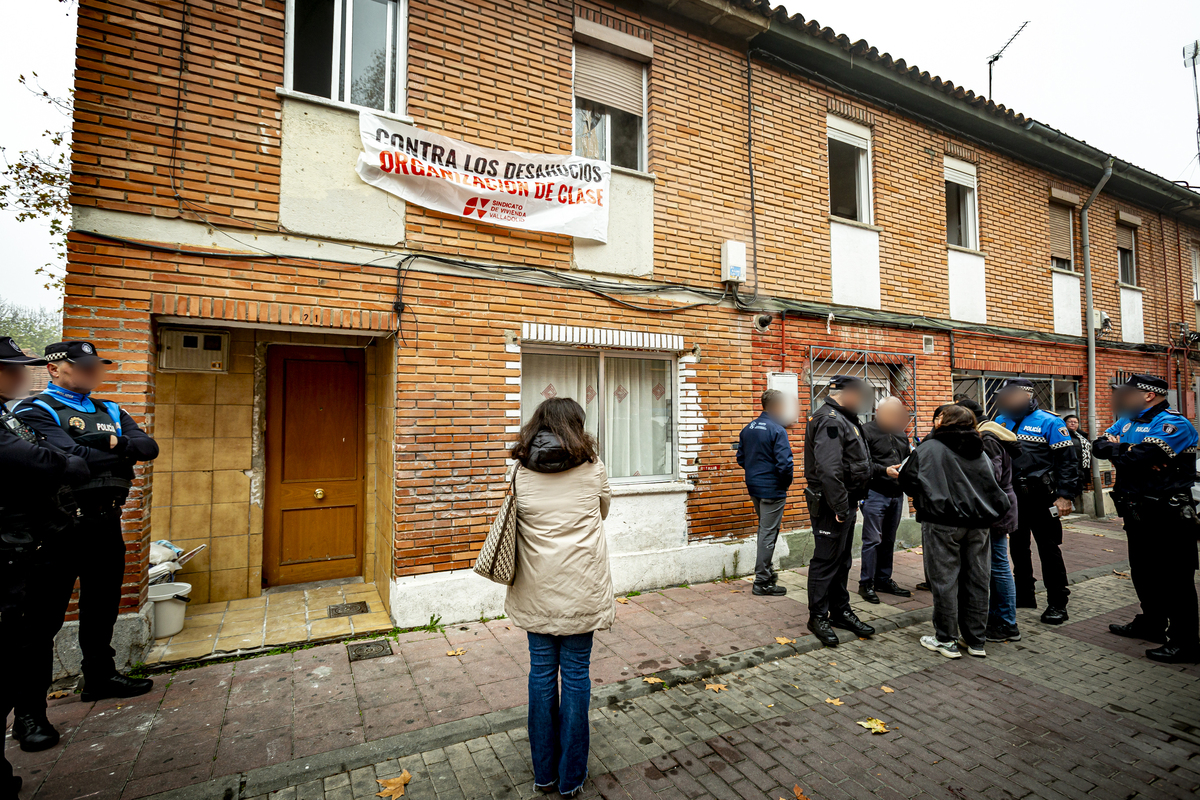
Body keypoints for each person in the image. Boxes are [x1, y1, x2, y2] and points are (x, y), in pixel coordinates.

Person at [14, 341, 159, 722]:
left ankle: (100, 676)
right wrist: (121, 450)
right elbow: (70, 459)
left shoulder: (111, 408)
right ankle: (30, 713)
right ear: (54, 368)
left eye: (95, 366)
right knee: (42, 621)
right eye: (82, 366)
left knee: (102, 605)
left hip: (106, 520)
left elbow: (148, 447)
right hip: (59, 524)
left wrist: (116, 443)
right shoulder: (34, 409)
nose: (91, 372)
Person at [505, 397, 614, 796]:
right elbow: (602, 511)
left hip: (536, 590)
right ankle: (571, 779)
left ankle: (544, 774)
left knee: (539, 674)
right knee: (576, 675)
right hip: (581, 590)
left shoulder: (519, 471)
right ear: (576, 426)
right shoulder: (592, 468)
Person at [0, 336, 89, 793]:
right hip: (10, 553)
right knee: (21, 639)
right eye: (11, 367)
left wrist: (72, 454)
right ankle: (28, 716)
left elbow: (76, 461)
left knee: (37, 631)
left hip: (42, 544)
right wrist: (69, 456)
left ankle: (30, 713)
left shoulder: (9, 417)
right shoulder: (27, 413)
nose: (21, 374)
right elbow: (63, 462)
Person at [1093, 374, 1199, 663]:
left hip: (1169, 514)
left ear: (1148, 395)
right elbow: (1097, 446)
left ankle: (1186, 641)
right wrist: (1127, 451)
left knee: (1176, 578)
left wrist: (1124, 451)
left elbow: (1132, 459)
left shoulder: (1173, 423)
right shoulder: (1128, 420)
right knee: (1143, 571)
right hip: (1136, 510)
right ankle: (1153, 624)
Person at [899, 404, 1010, 659]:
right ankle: (976, 641)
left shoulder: (930, 447)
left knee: (945, 580)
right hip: (979, 524)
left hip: (942, 522)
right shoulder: (979, 449)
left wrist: (926, 494)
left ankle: (946, 639)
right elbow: (991, 482)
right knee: (977, 580)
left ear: (942, 422)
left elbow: (907, 480)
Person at [993, 377, 1079, 624]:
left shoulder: (1050, 422)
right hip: (1013, 497)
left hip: (1042, 497)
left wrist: (1065, 496)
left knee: (1049, 550)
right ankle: (1024, 595)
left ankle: (1057, 603)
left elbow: (1067, 462)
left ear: (1025, 395)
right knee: (1018, 548)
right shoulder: (1001, 420)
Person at [803, 375, 877, 647]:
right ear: (846, 393)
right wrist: (840, 507)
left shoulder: (844, 417)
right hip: (832, 504)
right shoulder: (831, 421)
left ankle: (840, 611)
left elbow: (851, 463)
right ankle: (818, 616)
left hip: (844, 501)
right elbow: (829, 469)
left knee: (842, 560)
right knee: (825, 561)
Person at [956, 397, 1023, 643]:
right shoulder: (990, 433)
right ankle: (999, 617)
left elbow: (990, 476)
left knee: (998, 565)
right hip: (998, 507)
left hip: (996, 509)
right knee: (996, 564)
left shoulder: (988, 439)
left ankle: (1006, 623)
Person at [737, 389, 793, 596]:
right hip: (772, 489)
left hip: (754, 487)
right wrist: (784, 484)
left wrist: (755, 472)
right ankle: (762, 581)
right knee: (768, 533)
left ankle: (767, 572)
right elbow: (785, 464)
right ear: (777, 406)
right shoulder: (777, 430)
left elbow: (741, 458)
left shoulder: (749, 428)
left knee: (765, 530)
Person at [858, 396, 914, 603]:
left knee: (889, 539)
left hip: (896, 494)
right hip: (874, 493)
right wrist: (884, 470)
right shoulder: (866, 431)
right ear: (878, 412)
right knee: (872, 540)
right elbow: (861, 463)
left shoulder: (900, 432)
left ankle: (883, 578)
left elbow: (907, 457)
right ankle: (866, 583)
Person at [1064, 414, 1092, 500]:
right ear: (1064, 423)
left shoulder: (1082, 436)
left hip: (1080, 471)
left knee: (1077, 492)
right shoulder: (1062, 436)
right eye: (1070, 422)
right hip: (1067, 471)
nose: (1073, 424)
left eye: (1075, 422)